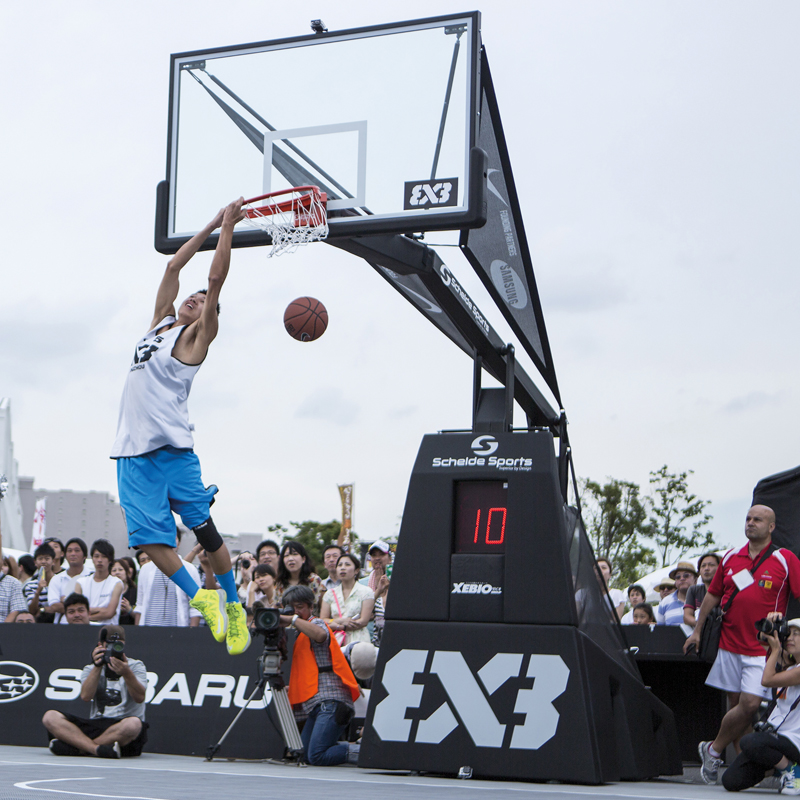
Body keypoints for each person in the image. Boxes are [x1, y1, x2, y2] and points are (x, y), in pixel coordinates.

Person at [109, 198, 250, 656]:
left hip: (172, 451)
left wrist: (227, 229)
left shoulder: (195, 339)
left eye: (204, 300)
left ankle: (233, 605)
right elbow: (173, 265)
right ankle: (202, 598)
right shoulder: (159, 326)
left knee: (205, 532)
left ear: (211, 313)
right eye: (193, 295)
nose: (196, 297)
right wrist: (211, 222)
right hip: (132, 452)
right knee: (149, 542)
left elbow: (215, 277)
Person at [684, 505, 800, 784]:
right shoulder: (731, 556)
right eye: (748, 518)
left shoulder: (784, 558)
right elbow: (713, 595)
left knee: (749, 705)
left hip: (762, 648)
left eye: (757, 519)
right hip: (728, 643)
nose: (750, 523)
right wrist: (697, 631)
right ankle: (747, 769)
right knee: (738, 711)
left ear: (771, 527)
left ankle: (713, 750)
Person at [281, 586, 361, 766]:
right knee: (306, 755)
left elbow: (320, 635)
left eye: (300, 607)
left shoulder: (316, 623)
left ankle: (365, 751)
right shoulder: (300, 632)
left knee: (317, 755)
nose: (296, 611)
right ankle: (352, 748)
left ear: (311, 607)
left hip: (330, 701)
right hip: (318, 705)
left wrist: (292, 619)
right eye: (291, 608)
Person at [43, 624, 148, 758]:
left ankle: (78, 748)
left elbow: (139, 697)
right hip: (98, 722)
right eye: (109, 645)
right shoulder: (90, 668)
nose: (114, 648)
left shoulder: (136, 666)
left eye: (118, 645)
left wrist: (126, 673)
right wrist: (97, 666)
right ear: (100, 645)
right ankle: (98, 749)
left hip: (123, 725)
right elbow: (86, 696)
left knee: (134, 724)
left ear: (124, 644)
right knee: (50, 717)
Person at [722, 615, 800, 793]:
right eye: (789, 633)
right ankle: (780, 768)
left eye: (796, 634)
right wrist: (770, 629)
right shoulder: (790, 666)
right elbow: (764, 643)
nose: (790, 637)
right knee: (731, 780)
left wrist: (775, 650)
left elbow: (767, 680)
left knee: (750, 741)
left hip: (795, 741)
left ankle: (793, 772)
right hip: (778, 738)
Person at [135, 548, 201, 627]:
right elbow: (140, 606)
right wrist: (137, 631)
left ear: (178, 543)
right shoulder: (145, 569)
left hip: (178, 630)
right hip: (148, 629)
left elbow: (196, 608)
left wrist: (191, 632)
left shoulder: (189, 569)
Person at [321, 553, 375, 646]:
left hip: (359, 640)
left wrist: (338, 626)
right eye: (340, 565)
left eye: (347, 564)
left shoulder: (366, 592)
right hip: (335, 641)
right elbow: (323, 620)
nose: (343, 568)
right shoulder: (329, 594)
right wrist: (341, 621)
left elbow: (363, 621)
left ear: (356, 570)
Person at [76, 540, 124, 625]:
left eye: (104, 557)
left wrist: (86, 615)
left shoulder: (116, 583)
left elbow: (109, 613)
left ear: (110, 560)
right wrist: (101, 610)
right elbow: (77, 610)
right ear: (92, 558)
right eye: (96, 556)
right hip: (85, 629)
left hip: (108, 629)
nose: (99, 560)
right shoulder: (81, 582)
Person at [47, 538, 93, 624]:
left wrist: (64, 601)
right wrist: (82, 608)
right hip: (62, 626)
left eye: (77, 550)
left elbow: (94, 605)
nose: (73, 554)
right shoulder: (57, 579)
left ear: (85, 556)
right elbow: (54, 606)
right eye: (69, 551)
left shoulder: (92, 577)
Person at [275, 541, 325, 614]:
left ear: (303, 559)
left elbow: (324, 609)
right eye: (286, 555)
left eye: (295, 554)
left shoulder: (314, 580)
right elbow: (276, 609)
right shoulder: (280, 583)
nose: (290, 559)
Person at [684, 552, 721, 627]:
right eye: (703, 566)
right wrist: (702, 626)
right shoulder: (694, 590)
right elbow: (687, 617)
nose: (706, 568)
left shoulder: (727, 590)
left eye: (711, 565)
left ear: (720, 568)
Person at [656, 561, 697, 625]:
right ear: (675, 582)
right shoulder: (665, 603)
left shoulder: (704, 599)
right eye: (678, 577)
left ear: (695, 580)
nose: (682, 578)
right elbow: (660, 629)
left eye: (686, 575)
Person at [24, 543, 57, 621]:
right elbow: (32, 611)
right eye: (40, 559)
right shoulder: (30, 585)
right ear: (35, 562)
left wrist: (43, 609)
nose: (43, 562)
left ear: (53, 561)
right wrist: (38, 591)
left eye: (47, 559)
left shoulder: (60, 581)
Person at [111, 560, 137, 625]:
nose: (117, 572)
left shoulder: (135, 591)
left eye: (120, 570)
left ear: (127, 573)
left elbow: (140, 617)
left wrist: (129, 609)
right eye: (114, 570)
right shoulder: (107, 591)